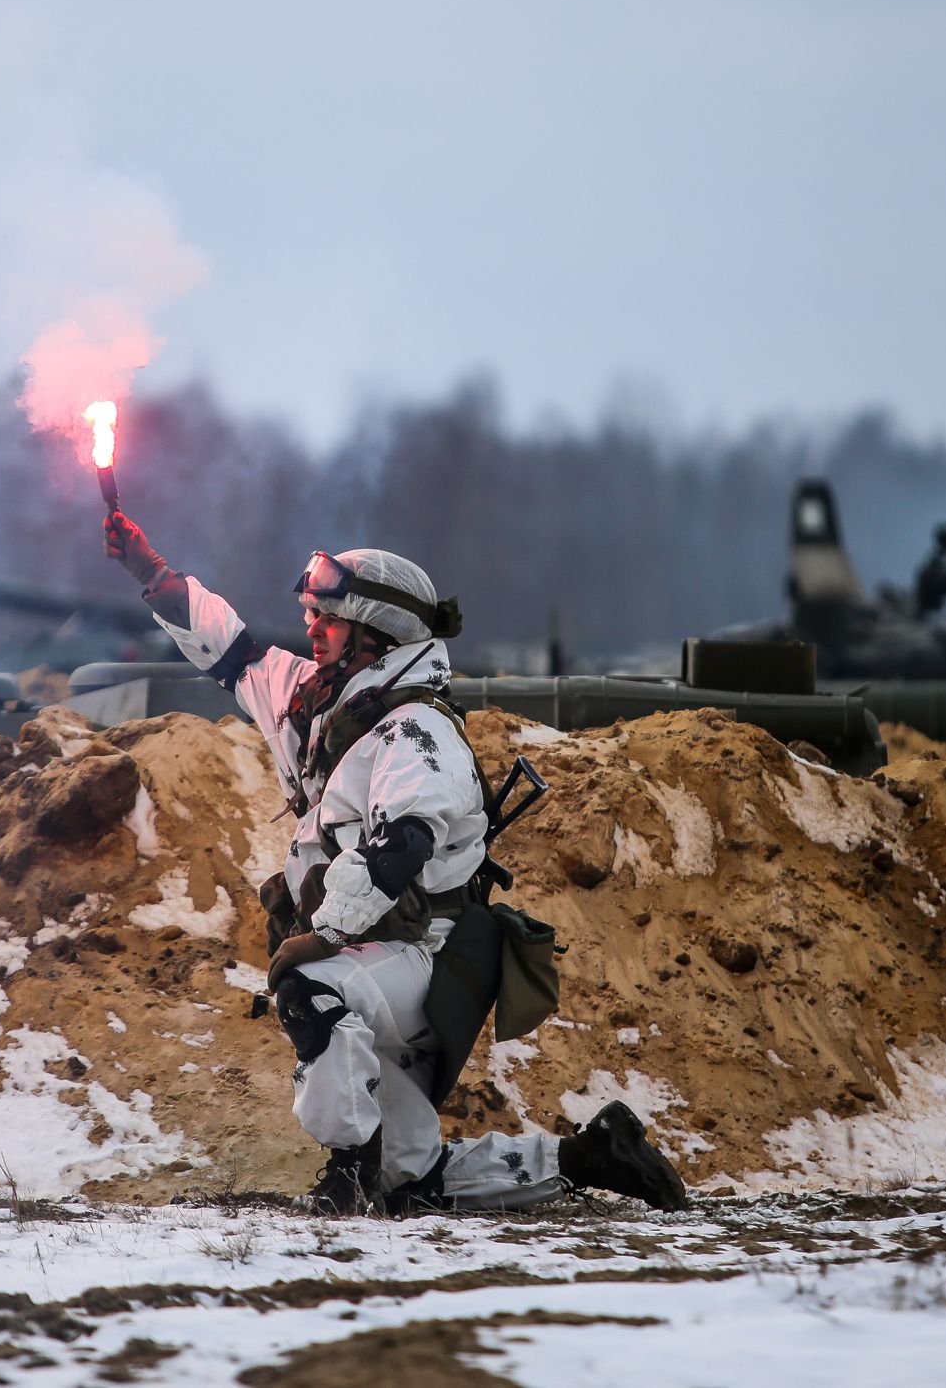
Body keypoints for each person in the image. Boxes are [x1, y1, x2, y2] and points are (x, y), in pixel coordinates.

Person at [104, 510, 688, 1215]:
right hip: (384, 955)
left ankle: (347, 1171)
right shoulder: (328, 704)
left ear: (376, 633)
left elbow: (400, 846)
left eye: (328, 616)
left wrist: (315, 940)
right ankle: (592, 1156)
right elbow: (235, 654)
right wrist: (151, 573)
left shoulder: (417, 728)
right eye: (312, 612)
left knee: (310, 988)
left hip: (423, 957)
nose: (312, 627)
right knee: (412, 1178)